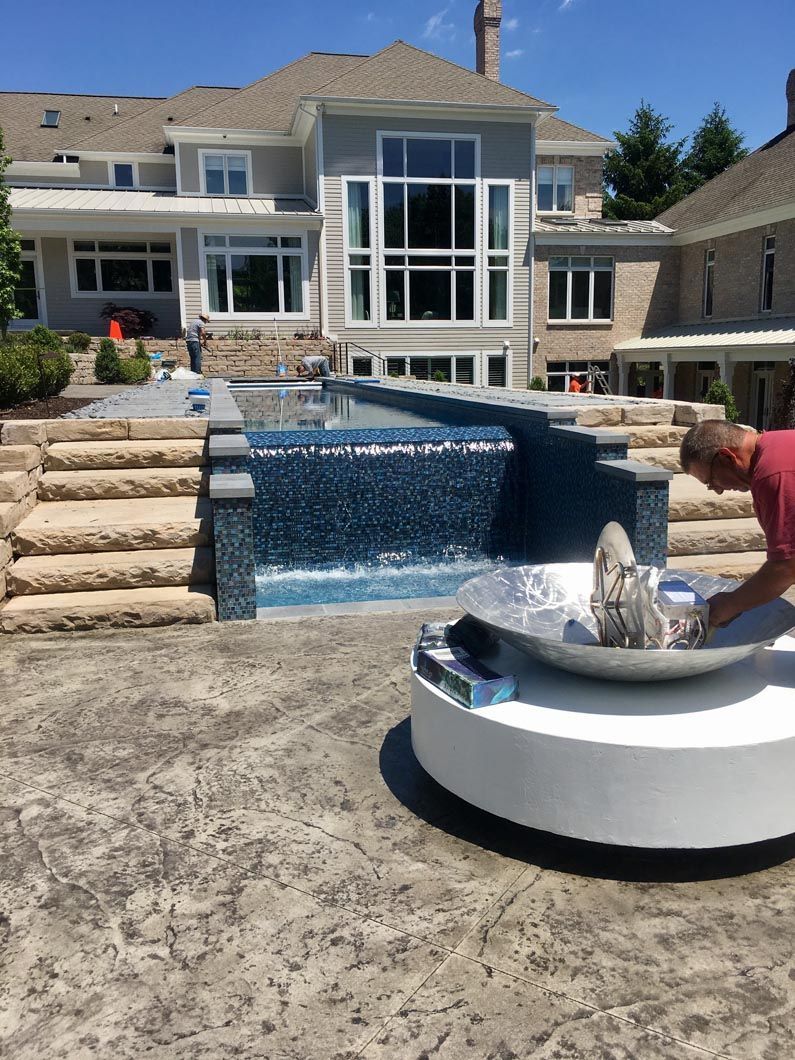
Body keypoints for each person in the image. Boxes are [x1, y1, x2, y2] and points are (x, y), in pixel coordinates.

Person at [679, 420, 795, 627]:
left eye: (711, 481)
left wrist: (731, 604)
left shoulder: (773, 474)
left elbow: (787, 567)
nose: (717, 490)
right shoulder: (779, 444)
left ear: (726, 457)